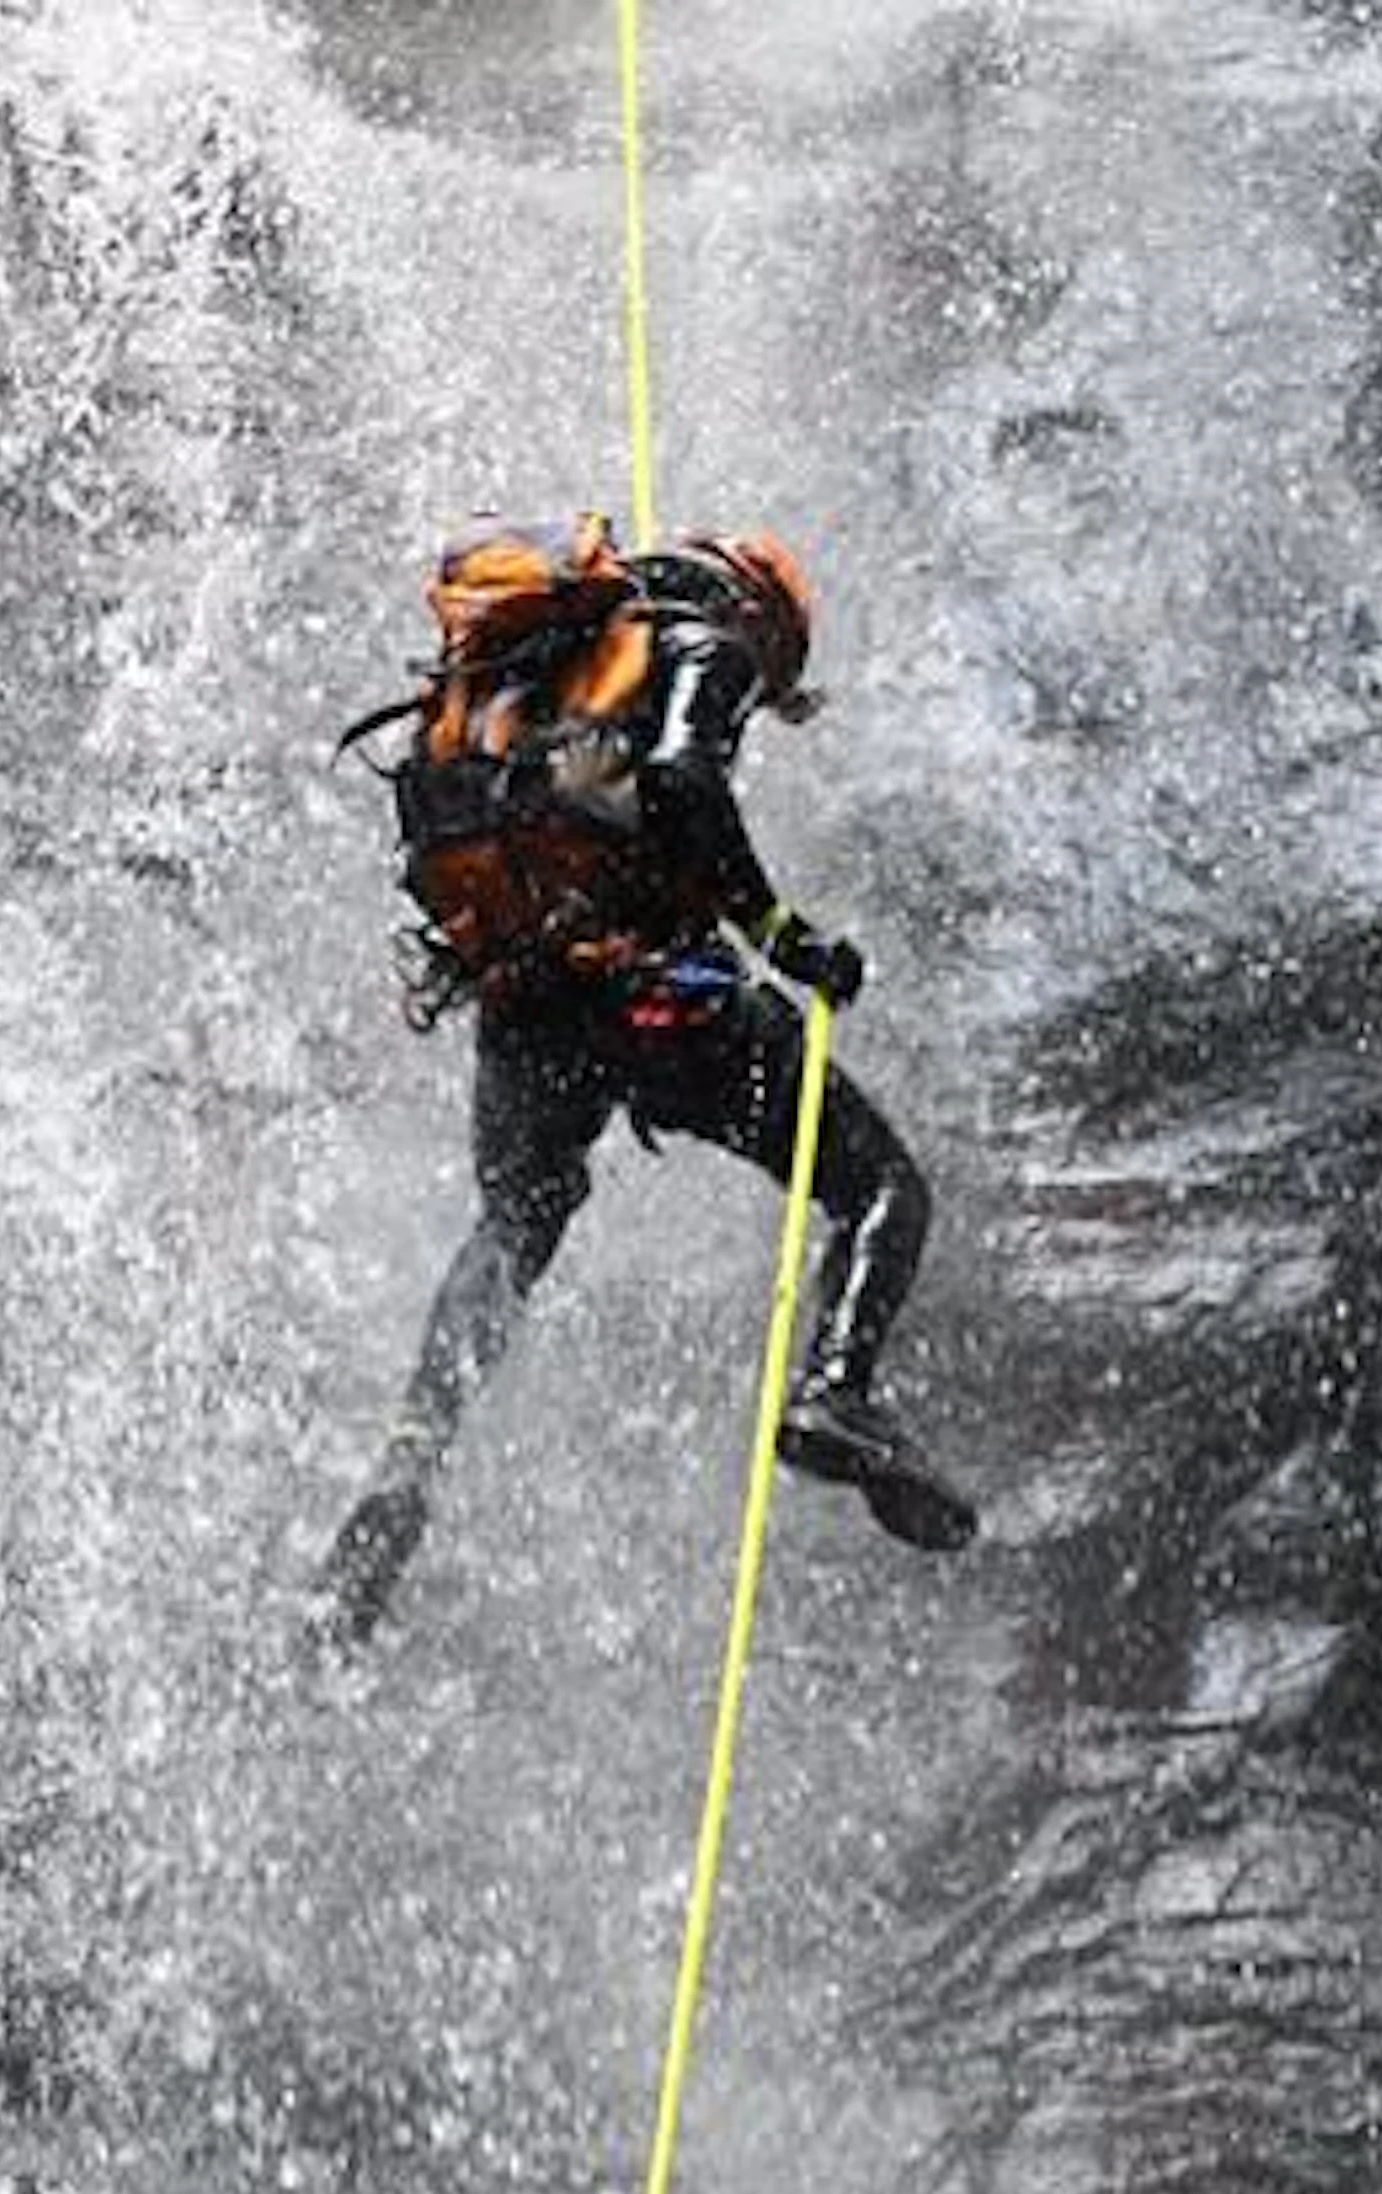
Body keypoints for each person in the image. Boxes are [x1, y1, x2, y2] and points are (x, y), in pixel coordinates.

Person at [318, 525, 973, 1643]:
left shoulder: (527, 674)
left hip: (525, 1004)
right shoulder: (710, 644)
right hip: (659, 997)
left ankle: (410, 1458)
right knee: (880, 1189)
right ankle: (836, 1389)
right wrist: (785, 937)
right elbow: (681, 774)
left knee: (514, 1227)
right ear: (760, 613)